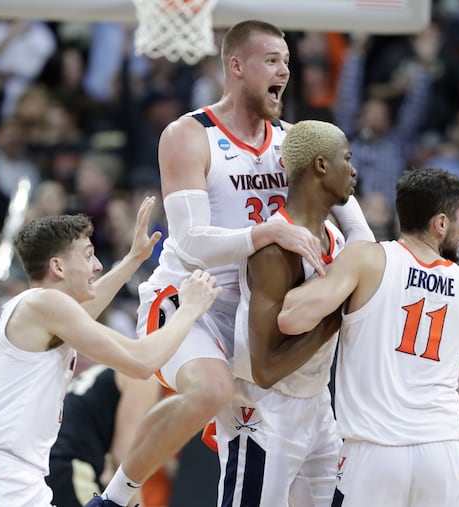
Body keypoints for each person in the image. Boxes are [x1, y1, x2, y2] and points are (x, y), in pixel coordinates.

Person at [92, 19, 373, 507]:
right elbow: (191, 241)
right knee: (212, 390)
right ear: (236, 66)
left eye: (286, 61)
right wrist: (266, 232)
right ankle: (117, 496)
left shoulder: (297, 141)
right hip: (190, 302)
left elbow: (360, 235)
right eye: (272, 60)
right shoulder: (189, 133)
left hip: (259, 308)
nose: (284, 69)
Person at [0, 197, 220, 507]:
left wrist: (132, 260)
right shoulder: (44, 303)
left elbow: (85, 308)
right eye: (88, 256)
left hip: (26, 481)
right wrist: (189, 310)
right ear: (58, 266)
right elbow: (142, 362)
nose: (97, 265)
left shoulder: (42, 311)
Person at [278, 168, 459, 506]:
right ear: (441, 224)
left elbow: (290, 318)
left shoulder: (369, 260)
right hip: (444, 452)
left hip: (373, 453)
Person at [216, 119, 354, 505]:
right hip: (265, 408)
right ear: (321, 166)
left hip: (317, 404)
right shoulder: (275, 248)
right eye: (347, 158)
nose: (354, 169)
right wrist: (333, 320)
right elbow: (265, 369)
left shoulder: (336, 235)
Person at [46, 365, 163, 507]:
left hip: (51, 461)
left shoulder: (113, 366)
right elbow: (124, 456)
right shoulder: (144, 376)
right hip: (72, 468)